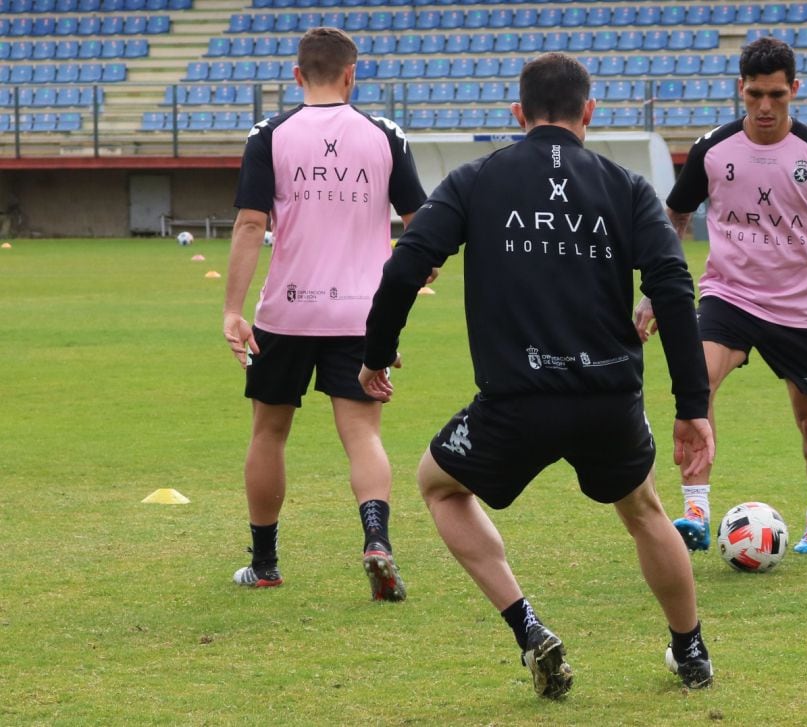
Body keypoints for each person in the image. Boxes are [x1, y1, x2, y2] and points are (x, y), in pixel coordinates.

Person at [358, 53, 716, 697]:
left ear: (518, 114)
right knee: (644, 510)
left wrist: (377, 352)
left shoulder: (476, 179)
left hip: (515, 400)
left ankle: (529, 629)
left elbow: (405, 264)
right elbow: (671, 288)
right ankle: (690, 653)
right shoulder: (627, 187)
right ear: (589, 111)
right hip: (608, 396)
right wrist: (693, 404)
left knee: (438, 485)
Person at [635, 37, 807, 555]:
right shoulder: (713, 148)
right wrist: (654, 291)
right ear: (741, 88)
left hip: (799, 307)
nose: (764, 106)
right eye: (754, 94)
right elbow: (677, 217)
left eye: (776, 95)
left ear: (793, 89)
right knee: (698, 385)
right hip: (727, 296)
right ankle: (695, 508)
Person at [222, 27, 429, 600]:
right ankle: (377, 542)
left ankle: (264, 564)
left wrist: (232, 311)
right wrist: (413, 278)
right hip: (362, 316)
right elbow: (422, 227)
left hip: (286, 312)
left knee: (269, 431)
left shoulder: (270, 133)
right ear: (350, 75)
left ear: (296, 75)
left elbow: (249, 224)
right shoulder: (385, 134)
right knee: (362, 434)